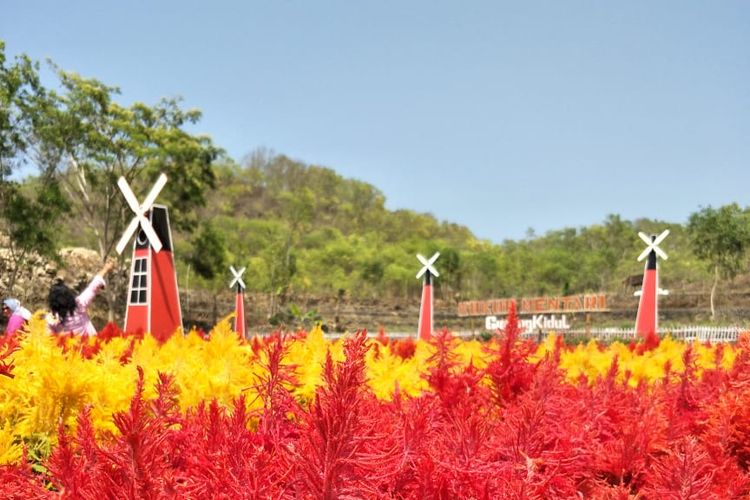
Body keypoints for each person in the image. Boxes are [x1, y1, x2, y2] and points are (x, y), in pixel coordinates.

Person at [47, 260, 114, 335]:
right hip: (92, 345)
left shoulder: (51, 320)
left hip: (69, 347)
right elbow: (93, 286)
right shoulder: (79, 305)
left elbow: (49, 340)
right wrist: (105, 269)